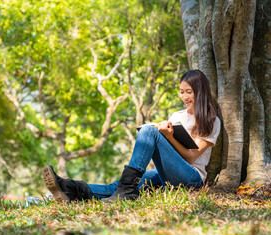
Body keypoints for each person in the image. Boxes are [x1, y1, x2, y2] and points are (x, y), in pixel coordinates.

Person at [42, 69, 221, 202]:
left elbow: (191, 157)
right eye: (181, 92)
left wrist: (169, 137)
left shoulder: (211, 120)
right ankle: (70, 188)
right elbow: (168, 151)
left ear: (200, 91)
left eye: (189, 92)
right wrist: (165, 134)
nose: (184, 96)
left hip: (191, 178)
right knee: (119, 185)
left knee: (149, 131)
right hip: (166, 174)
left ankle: (126, 190)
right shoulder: (177, 116)